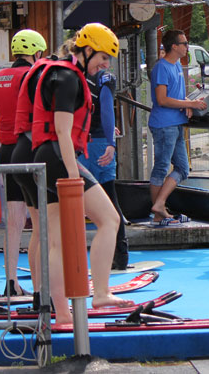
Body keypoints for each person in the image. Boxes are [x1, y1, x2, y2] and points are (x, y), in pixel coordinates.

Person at [31, 23, 133, 324]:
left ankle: (62, 313)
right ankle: (101, 292)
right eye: (103, 57)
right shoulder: (68, 79)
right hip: (58, 159)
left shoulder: (62, 72)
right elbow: (62, 130)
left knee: (58, 242)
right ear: (87, 49)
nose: (106, 64)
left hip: (47, 158)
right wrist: (74, 175)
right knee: (110, 219)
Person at [0, 29, 46, 296]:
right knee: (37, 219)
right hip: (27, 149)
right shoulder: (29, 75)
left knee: (13, 219)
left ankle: (11, 281)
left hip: (5, 148)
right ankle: (41, 287)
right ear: (36, 53)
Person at [147, 29, 207, 226]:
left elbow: (176, 98)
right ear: (174, 46)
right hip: (164, 124)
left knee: (182, 168)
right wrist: (189, 105)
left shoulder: (177, 67)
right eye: (184, 43)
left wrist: (187, 105)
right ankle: (158, 214)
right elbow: (162, 99)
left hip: (176, 122)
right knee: (161, 167)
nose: (187, 46)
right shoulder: (162, 68)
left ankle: (160, 204)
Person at [76, 67, 130, 270]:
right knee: (109, 202)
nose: (106, 63)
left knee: (72, 204)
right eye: (105, 58)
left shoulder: (74, 73)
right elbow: (107, 109)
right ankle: (120, 256)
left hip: (79, 142)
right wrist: (110, 140)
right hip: (98, 144)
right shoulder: (105, 78)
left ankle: (71, 258)